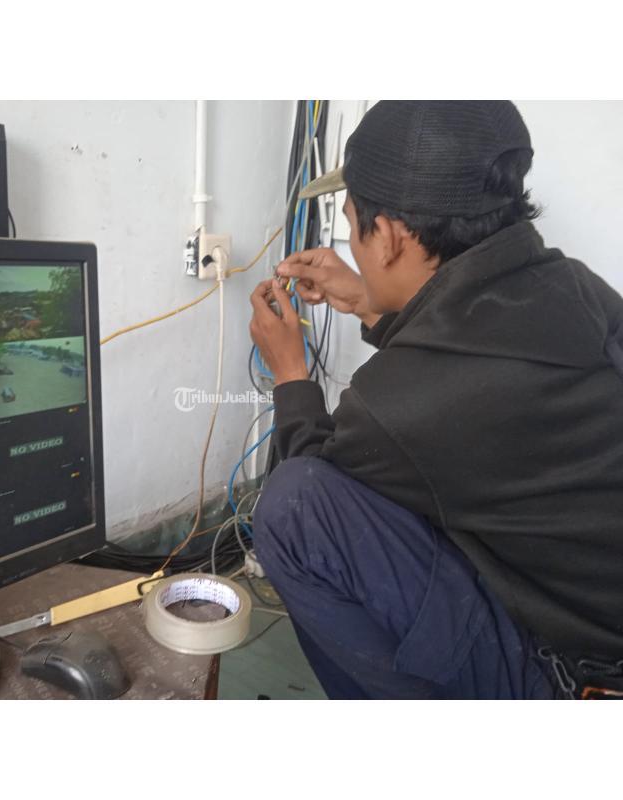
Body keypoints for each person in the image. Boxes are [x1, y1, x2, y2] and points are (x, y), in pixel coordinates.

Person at [248, 100, 623, 699]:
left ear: (389, 237)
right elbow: (469, 357)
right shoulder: (578, 289)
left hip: (576, 676)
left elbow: (320, 475)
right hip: (585, 611)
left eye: (352, 222)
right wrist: (368, 299)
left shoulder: (400, 407)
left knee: (295, 508)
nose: (353, 247)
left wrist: (290, 373)